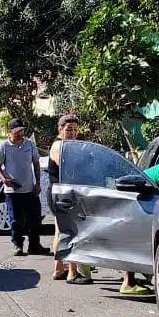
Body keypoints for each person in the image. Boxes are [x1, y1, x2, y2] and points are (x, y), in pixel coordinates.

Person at [47, 114, 94, 284]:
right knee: (71, 232)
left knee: (60, 232)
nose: (73, 133)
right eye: (69, 129)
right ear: (60, 129)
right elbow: (68, 170)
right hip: (61, 194)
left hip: (62, 193)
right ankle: (73, 273)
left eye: (75, 129)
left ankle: (59, 268)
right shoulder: (59, 146)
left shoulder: (68, 145)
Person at [0, 118, 48, 257]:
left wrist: (37, 184)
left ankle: (34, 245)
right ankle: (18, 245)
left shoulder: (29, 145)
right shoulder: (4, 146)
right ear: (10, 131)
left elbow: (36, 163)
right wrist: (3, 179)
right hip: (13, 191)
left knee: (35, 219)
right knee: (16, 220)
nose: (19, 133)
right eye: (17, 131)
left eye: (21, 131)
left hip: (30, 189)